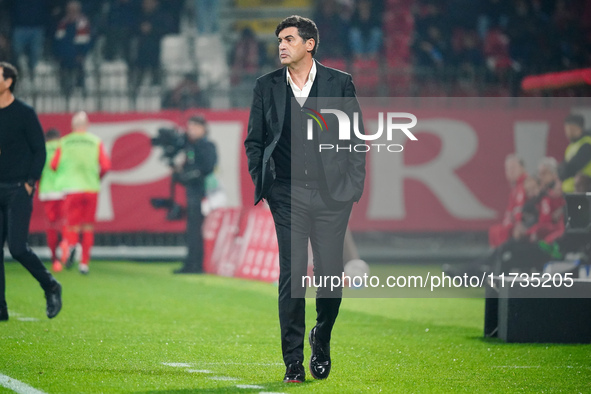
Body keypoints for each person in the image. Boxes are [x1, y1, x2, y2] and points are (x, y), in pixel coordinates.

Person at [245, 16, 366, 383]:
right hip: (287, 196)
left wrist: (352, 188)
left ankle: (322, 335)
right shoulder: (265, 86)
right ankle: (293, 362)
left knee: (330, 278)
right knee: (293, 276)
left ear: (310, 44)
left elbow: (356, 140)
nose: (281, 45)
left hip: (332, 197)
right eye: (280, 39)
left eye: (290, 39)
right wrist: (265, 184)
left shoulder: (339, 83)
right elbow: (254, 141)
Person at [0, 61, 62, 321]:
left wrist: (30, 182)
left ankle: (50, 285)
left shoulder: (24, 112)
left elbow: (40, 150)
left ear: (8, 81)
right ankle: (0, 309)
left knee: (17, 248)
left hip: (17, 189)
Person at [51, 111, 111, 274]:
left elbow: (54, 165)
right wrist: (96, 178)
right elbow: (105, 166)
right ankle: (84, 263)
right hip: (90, 188)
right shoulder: (95, 141)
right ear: (87, 126)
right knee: (88, 227)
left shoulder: (64, 142)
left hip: (72, 188)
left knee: (71, 225)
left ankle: (71, 247)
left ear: (73, 126)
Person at [173, 116, 217, 274]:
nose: (190, 130)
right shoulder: (189, 147)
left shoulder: (207, 146)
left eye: (194, 127)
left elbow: (208, 168)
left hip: (203, 194)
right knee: (192, 229)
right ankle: (191, 262)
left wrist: (191, 174)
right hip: (192, 192)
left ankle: (198, 264)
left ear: (203, 128)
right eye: (189, 127)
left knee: (198, 230)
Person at [39, 128, 66, 272]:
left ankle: (55, 260)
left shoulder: (41, 149)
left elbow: (37, 171)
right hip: (62, 191)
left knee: (51, 226)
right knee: (65, 223)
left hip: (47, 192)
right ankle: (65, 245)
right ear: (58, 137)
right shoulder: (64, 147)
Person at [488, 154, 528, 247]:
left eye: (513, 168)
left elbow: (521, 209)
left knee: (501, 232)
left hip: (523, 225)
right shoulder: (515, 188)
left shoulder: (525, 184)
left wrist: (515, 224)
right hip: (515, 224)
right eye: (508, 169)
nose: (510, 172)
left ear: (522, 168)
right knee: (495, 230)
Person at [53, 0, 92, 96]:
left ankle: (81, 90)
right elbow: (58, 41)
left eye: (74, 10)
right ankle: (65, 92)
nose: (72, 12)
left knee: (79, 72)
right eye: (70, 10)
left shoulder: (83, 23)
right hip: (65, 55)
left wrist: (82, 54)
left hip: (78, 56)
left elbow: (86, 42)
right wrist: (59, 54)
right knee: (64, 73)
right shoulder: (63, 23)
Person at [558, 114, 591, 193]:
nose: (567, 132)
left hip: (582, 190)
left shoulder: (587, 144)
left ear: (578, 128)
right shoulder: (571, 146)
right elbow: (562, 168)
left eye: (569, 128)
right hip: (571, 190)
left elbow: (572, 167)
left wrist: (563, 172)